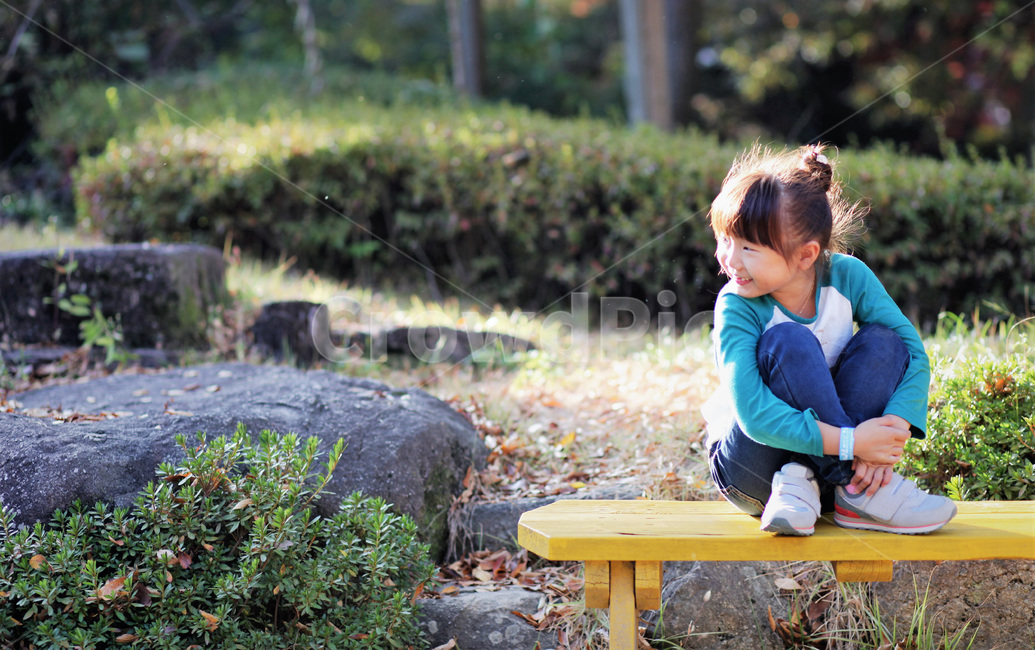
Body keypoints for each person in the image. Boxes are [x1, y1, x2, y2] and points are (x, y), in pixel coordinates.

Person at [701, 143, 957, 536]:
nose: (729, 260)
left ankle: (809, 479)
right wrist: (854, 444)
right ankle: (857, 491)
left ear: (806, 256)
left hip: (823, 468)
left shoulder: (848, 277)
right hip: (751, 472)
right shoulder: (737, 305)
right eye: (725, 240)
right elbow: (753, 416)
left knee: (886, 342)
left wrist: (895, 422)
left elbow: (913, 355)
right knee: (790, 340)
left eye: (748, 248)